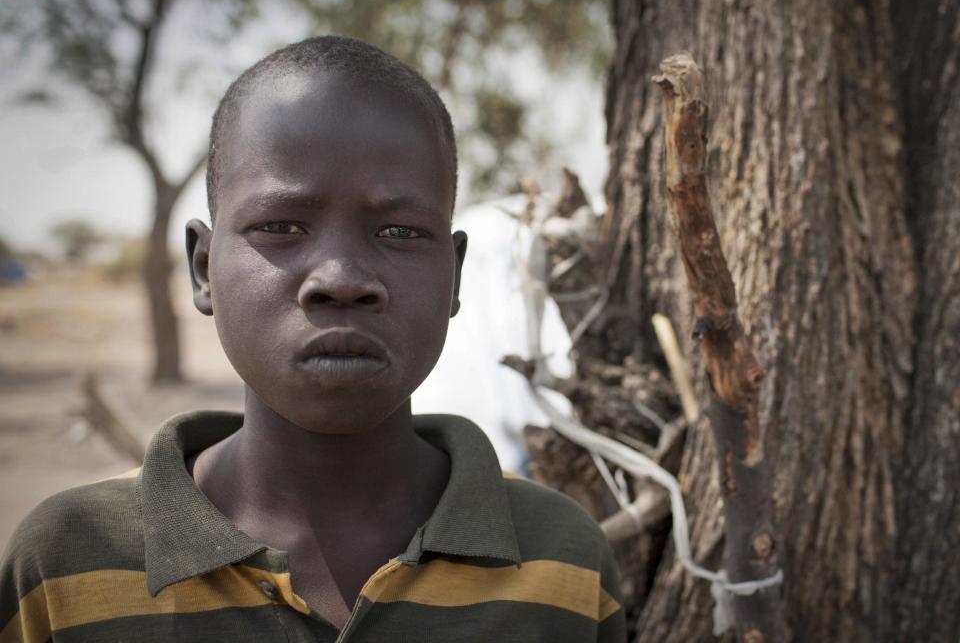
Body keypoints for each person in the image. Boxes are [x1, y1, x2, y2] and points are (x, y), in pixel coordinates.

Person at [0, 36, 626, 642]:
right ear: (203, 268)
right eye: (281, 225)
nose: (343, 280)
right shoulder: (65, 565)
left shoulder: (562, 565)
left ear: (455, 276)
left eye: (400, 232)